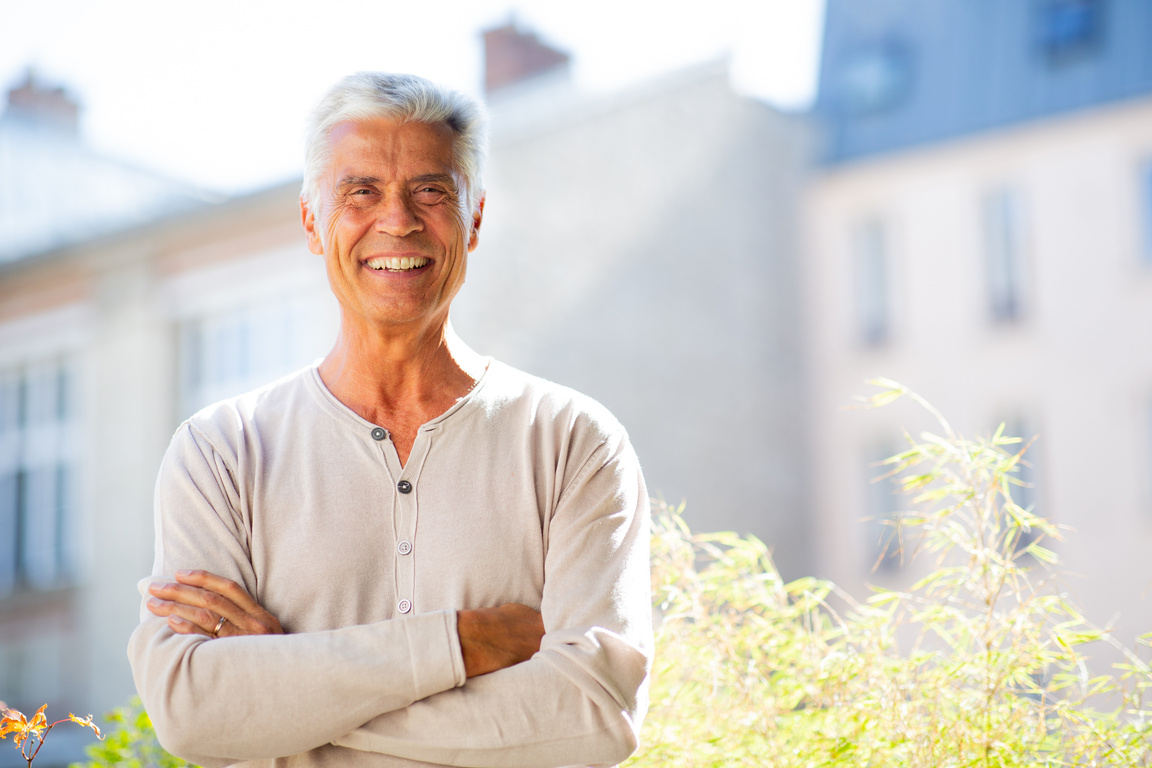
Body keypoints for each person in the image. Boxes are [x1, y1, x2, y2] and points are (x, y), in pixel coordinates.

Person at [127, 72, 652, 768]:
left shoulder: (572, 442)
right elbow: (194, 716)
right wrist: (465, 643)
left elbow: (596, 715)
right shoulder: (221, 452)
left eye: (431, 192)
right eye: (360, 193)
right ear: (313, 222)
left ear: (476, 218)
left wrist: (290, 691)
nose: (398, 221)